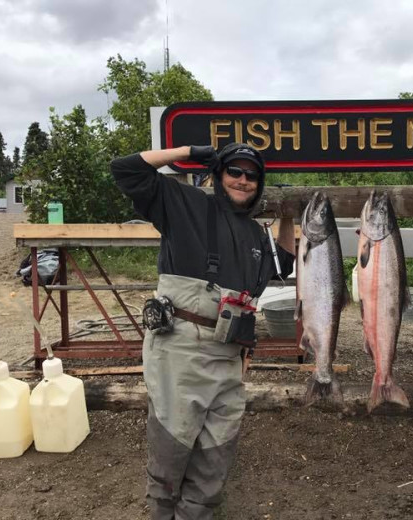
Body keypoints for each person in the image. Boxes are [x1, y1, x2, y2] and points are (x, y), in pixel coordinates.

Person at [110, 143, 295, 520]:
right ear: (218, 174)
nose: (244, 180)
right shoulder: (184, 204)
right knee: (172, 448)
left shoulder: (257, 234)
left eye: (252, 175)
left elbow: (282, 267)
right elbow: (126, 169)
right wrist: (188, 151)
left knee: (217, 451)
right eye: (235, 171)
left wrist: (289, 216)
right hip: (180, 350)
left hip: (229, 356)